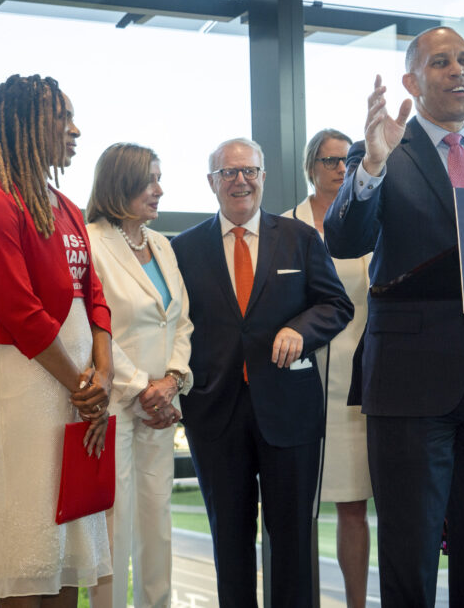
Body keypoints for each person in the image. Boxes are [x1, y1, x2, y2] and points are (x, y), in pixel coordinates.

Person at [323, 26, 464, 607]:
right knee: (411, 552)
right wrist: (369, 164)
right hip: (411, 381)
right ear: (412, 82)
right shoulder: (388, 149)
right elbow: (345, 238)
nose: (457, 70)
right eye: (441, 62)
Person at [171, 137, 353, 607]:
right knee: (229, 542)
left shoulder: (299, 237)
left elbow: (337, 304)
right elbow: (174, 326)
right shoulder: (183, 250)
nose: (240, 180)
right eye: (229, 173)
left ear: (264, 177)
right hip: (215, 414)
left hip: (290, 414)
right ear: (212, 182)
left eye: (249, 170)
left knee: (292, 540)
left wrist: (300, 329)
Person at [0, 74, 113, 608]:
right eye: (61, 117)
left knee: (70, 532)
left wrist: (102, 375)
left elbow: (95, 297)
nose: (74, 130)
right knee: (30, 543)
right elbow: (20, 311)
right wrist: (82, 385)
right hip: (29, 382)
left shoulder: (67, 205)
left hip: (76, 383)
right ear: (27, 123)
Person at [84, 143, 193, 608]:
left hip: (161, 408)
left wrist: (172, 381)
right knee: (114, 525)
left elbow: (182, 321)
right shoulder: (90, 242)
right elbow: (91, 329)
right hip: (115, 406)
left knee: (157, 522)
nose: (159, 190)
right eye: (150, 180)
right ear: (120, 183)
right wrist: (141, 387)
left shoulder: (163, 244)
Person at [286, 128, 373, 608]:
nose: (342, 169)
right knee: (298, 504)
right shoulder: (287, 226)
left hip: (365, 377)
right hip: (304, 374)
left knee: (354, 504)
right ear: (311, 166)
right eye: (331, 160)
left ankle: (357, 603)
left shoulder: (373, 220)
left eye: (348, 161)